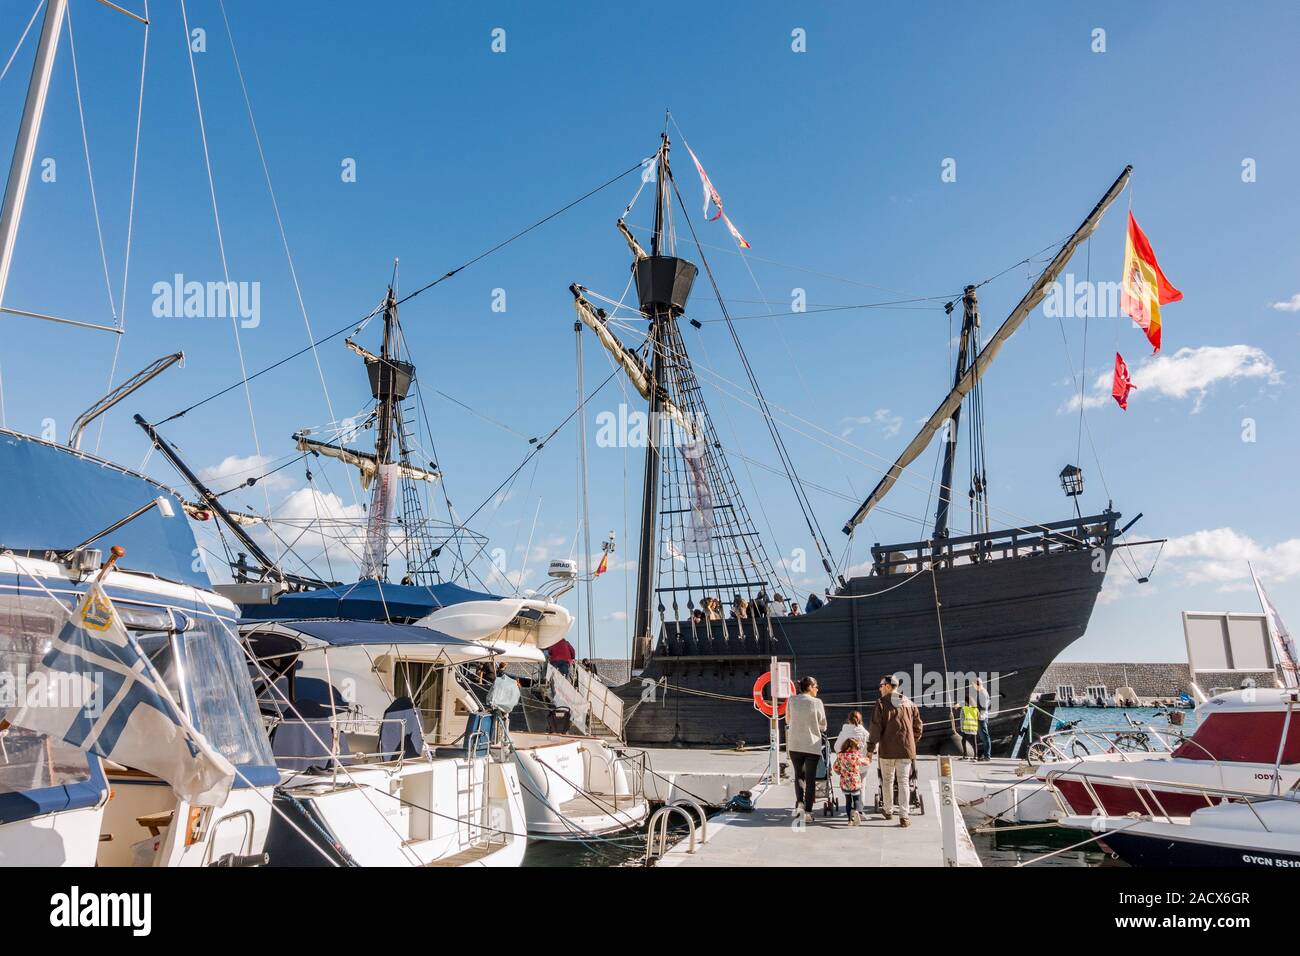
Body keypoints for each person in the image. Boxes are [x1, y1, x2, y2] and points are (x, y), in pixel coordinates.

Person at [867, 674, 924, 827]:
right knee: (904, 781)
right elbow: (918, 727)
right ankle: (904, 816)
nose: (879, 689)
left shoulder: (880, 703)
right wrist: (911, 741)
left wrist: (870, 749)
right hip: (906, 750)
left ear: (887, 686)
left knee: (887, 780)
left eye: (880, 685)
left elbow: (875, 728)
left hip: (887, 750)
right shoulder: (910, 704)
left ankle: (888, 810)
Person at [785, 675, 827, 823]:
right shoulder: (817, 702)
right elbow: (823, 725)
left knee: (798, 775)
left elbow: (788, 720)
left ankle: (800, 805)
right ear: (809, 687)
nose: (817, 688)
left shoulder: (791, 700)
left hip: (795, 744)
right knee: (810, 779)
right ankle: (808, 813)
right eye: (816, 686)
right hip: (811, 744)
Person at [832, 738, 867, 825]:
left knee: (848, 801)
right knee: (856, 799)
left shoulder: (840, 756)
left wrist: (840, 771)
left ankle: (849, 820)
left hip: (844, 782)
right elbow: (865, 762)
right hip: (855, 782)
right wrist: (867, 759)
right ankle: (855, 812)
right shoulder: (856, 756)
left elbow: (835, 767)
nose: (858, 749)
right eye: (857, 747)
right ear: (852, 747)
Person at [974, 678, 992, 761]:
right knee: (983, 737)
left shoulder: (983, 693)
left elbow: (984, 707)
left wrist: (976, 709)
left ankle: (987, 756)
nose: (974, 687)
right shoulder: (980, 692)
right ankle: (985, 754)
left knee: (985, 737)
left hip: (982, 717)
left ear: (978, 684)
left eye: (974, 685)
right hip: (981, 717)